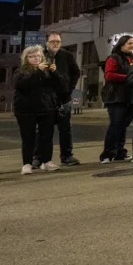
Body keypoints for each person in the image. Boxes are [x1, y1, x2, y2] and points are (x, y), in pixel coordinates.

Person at [14, 45, 66, 174]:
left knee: (46, 136)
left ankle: (46, 161)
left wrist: (55, 73)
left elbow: (60, 86)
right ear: (26, 58)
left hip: (46, 108)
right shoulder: (21, 71)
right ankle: (27, 163)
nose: (36, 58)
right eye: (32, 56)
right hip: (26, 110)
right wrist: (38, 72)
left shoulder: (47, 70)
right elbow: (23, 85)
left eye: (38, 56)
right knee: (28, 137)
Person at [42, 32, 82, 166]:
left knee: (65, 128)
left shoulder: (66, 55)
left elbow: (76, 72)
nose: (55, 44)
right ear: (46, 42)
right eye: (53, 41)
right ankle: (39, 157)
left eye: (58, 42)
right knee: (43, 129)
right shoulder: (40, 55)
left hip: (63, 97)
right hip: (45, 98)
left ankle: (67, 156)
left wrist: (69, 88)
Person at [101, 35, 133, 163]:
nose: (132, 46)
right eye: (129, 43)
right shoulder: (113, 58)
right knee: (116, 125)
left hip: (129, 96)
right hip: (115, 96)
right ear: (121, 44)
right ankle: (108, 153)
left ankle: (120, 152)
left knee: (123, 126)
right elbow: (109, 75)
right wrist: (127, 77)